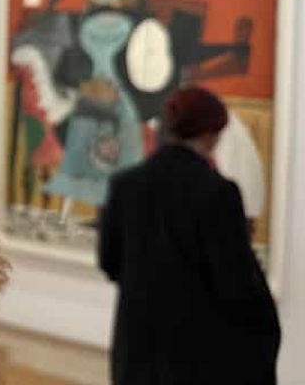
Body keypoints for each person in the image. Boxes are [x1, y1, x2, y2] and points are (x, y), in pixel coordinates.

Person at [98, 85, 280, 385]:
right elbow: (235, 283)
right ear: (209, 133)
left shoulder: (125, 185)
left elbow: (109, 262)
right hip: (197, 353)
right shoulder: (218, 193)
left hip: (137, 346)